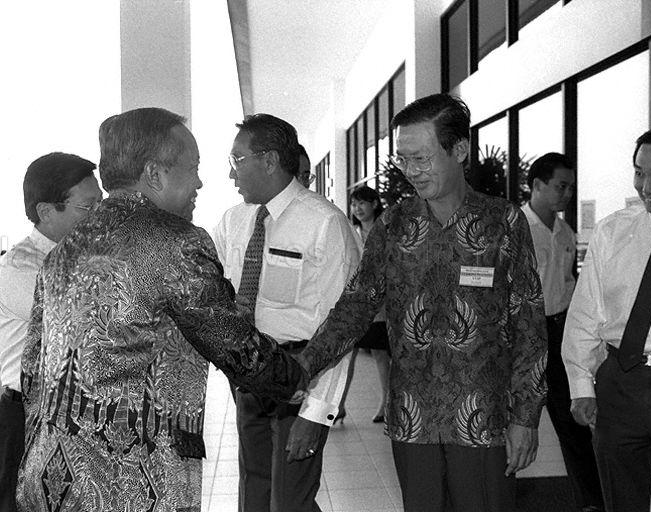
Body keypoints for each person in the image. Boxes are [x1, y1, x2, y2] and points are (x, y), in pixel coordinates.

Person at [15, 107, 308, 512]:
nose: (201, 181)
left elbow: (31, 371)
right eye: (194, 167)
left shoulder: (63, 251)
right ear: (154, 175)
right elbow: (236, 347)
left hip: (49, 476)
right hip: (127, 483)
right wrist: (298, 376)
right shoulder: (176, 243)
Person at [297, 93, 548, 512]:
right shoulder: (394, 225)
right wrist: (305, 363)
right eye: (404, 160)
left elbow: (529, 325)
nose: (412, 171)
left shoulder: (502, 222)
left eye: (422, 158)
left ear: (460, 150)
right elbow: (356, 306)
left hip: (482, 419)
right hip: (413, 419)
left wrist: (526, 416)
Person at [213, 113, 359, 512]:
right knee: (255, 493)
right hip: (249, 380)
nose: (231, 173)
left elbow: (342, 328)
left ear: (270, 160)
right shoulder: (233, 221)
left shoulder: (325, 224)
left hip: (300, 378)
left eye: (236, 159)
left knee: (289, 502)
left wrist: (318, 412)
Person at [563, 123, 651, 512]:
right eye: (640, 172)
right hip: (620, 383)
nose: (647, 187)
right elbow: (585, 313)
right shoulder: (613, 231)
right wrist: (581, 385)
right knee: (623, 500)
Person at [0, 152, 102, 512]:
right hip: (27, 417)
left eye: (101, 203)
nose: (99, 215)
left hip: (76, 414)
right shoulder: (22, 267)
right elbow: (85, 328)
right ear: (46, 212)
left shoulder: (88, 256)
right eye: (88, 208)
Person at [522, 153, 604, 512]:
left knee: (572, 423)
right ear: (537, 185)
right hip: (524, 338)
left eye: (570, 187)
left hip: (559, 332)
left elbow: (571, 283)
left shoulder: (565, 231)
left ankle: (590, 502)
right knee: (513, 421)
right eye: (560, 186)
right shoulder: (516, 229)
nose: (567, 194)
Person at [336, 185, 390, 424]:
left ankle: (386, 404)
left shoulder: (386, 230)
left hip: (380, 303)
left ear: (374, 204)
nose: (357, 208)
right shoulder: (350, 231)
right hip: (356, 301)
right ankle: (339, 405)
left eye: (362, 203)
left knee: (380, 353)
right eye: (354, 204)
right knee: (348, 353)